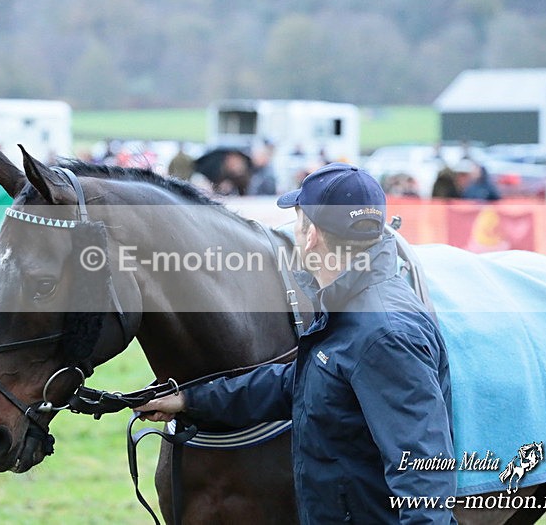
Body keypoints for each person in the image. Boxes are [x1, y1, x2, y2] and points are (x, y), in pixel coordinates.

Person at [135, 162, 457, 524]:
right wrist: (189, 400)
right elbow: (297, 383)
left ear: (312, 234)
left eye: (298, 221)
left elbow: (423, 474)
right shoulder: (348, 303)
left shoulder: (385, 334)